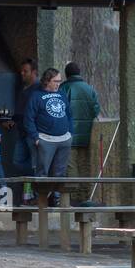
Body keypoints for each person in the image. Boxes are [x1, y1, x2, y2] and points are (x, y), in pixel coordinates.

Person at [23, 68, 73, 204]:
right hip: (45, 138)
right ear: (47, 81)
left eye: (59, 81)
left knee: (60, 172)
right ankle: (41, 200)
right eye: (55, 81)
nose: (58, 84)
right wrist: (36, 138)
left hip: (64, 138)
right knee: (42, 171)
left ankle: (56, 199)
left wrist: (70, 134)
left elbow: (69, 114)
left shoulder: (62, 94)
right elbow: (28, 119)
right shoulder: (36, 96)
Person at [59, 62, 101, 198]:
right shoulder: (90, 89)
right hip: (87, 135)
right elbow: (96, 110)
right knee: (84, 165)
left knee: (71, 166)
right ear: (79, 72)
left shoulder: (64, 88)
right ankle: (85, 195)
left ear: (66, 74)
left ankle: (73, 197)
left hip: (68, 134)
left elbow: (60, 111)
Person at [11, 58, 41, 204]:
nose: (22, 73)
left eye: (25, 71)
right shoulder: (23, 89)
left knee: (35, 164)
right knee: (17, 162)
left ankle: (36, 195)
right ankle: (31, 184)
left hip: (32, 133)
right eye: (21, 71)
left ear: (34, 72)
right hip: (21, 133)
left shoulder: (38, 89)